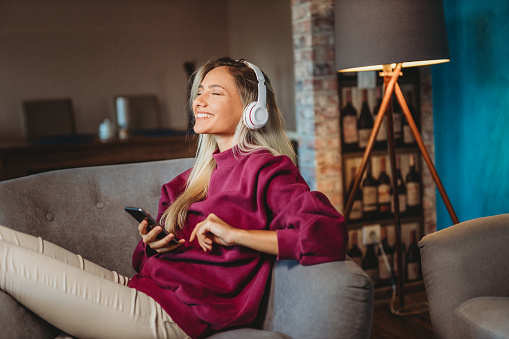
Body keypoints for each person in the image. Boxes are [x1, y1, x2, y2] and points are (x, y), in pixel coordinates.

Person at [0, 57, 347, 339]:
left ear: (252, 110)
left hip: (173, 317)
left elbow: (328, 236)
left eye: (215, 93)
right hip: (140, 290)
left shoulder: (268, 170)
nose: (199, 101)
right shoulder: (189, 181)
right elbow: (142, 262)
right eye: (199, 93)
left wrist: (237, 235)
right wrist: (156, 244)